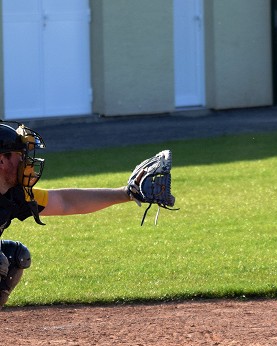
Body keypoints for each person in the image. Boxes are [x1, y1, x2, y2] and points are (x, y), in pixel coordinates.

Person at [0, 122, 168, 308]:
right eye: (19, 156)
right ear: (1, 160)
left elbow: (65, 202)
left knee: (15, 256)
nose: (26, 163)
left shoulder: (14, 194)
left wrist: (127, 193)